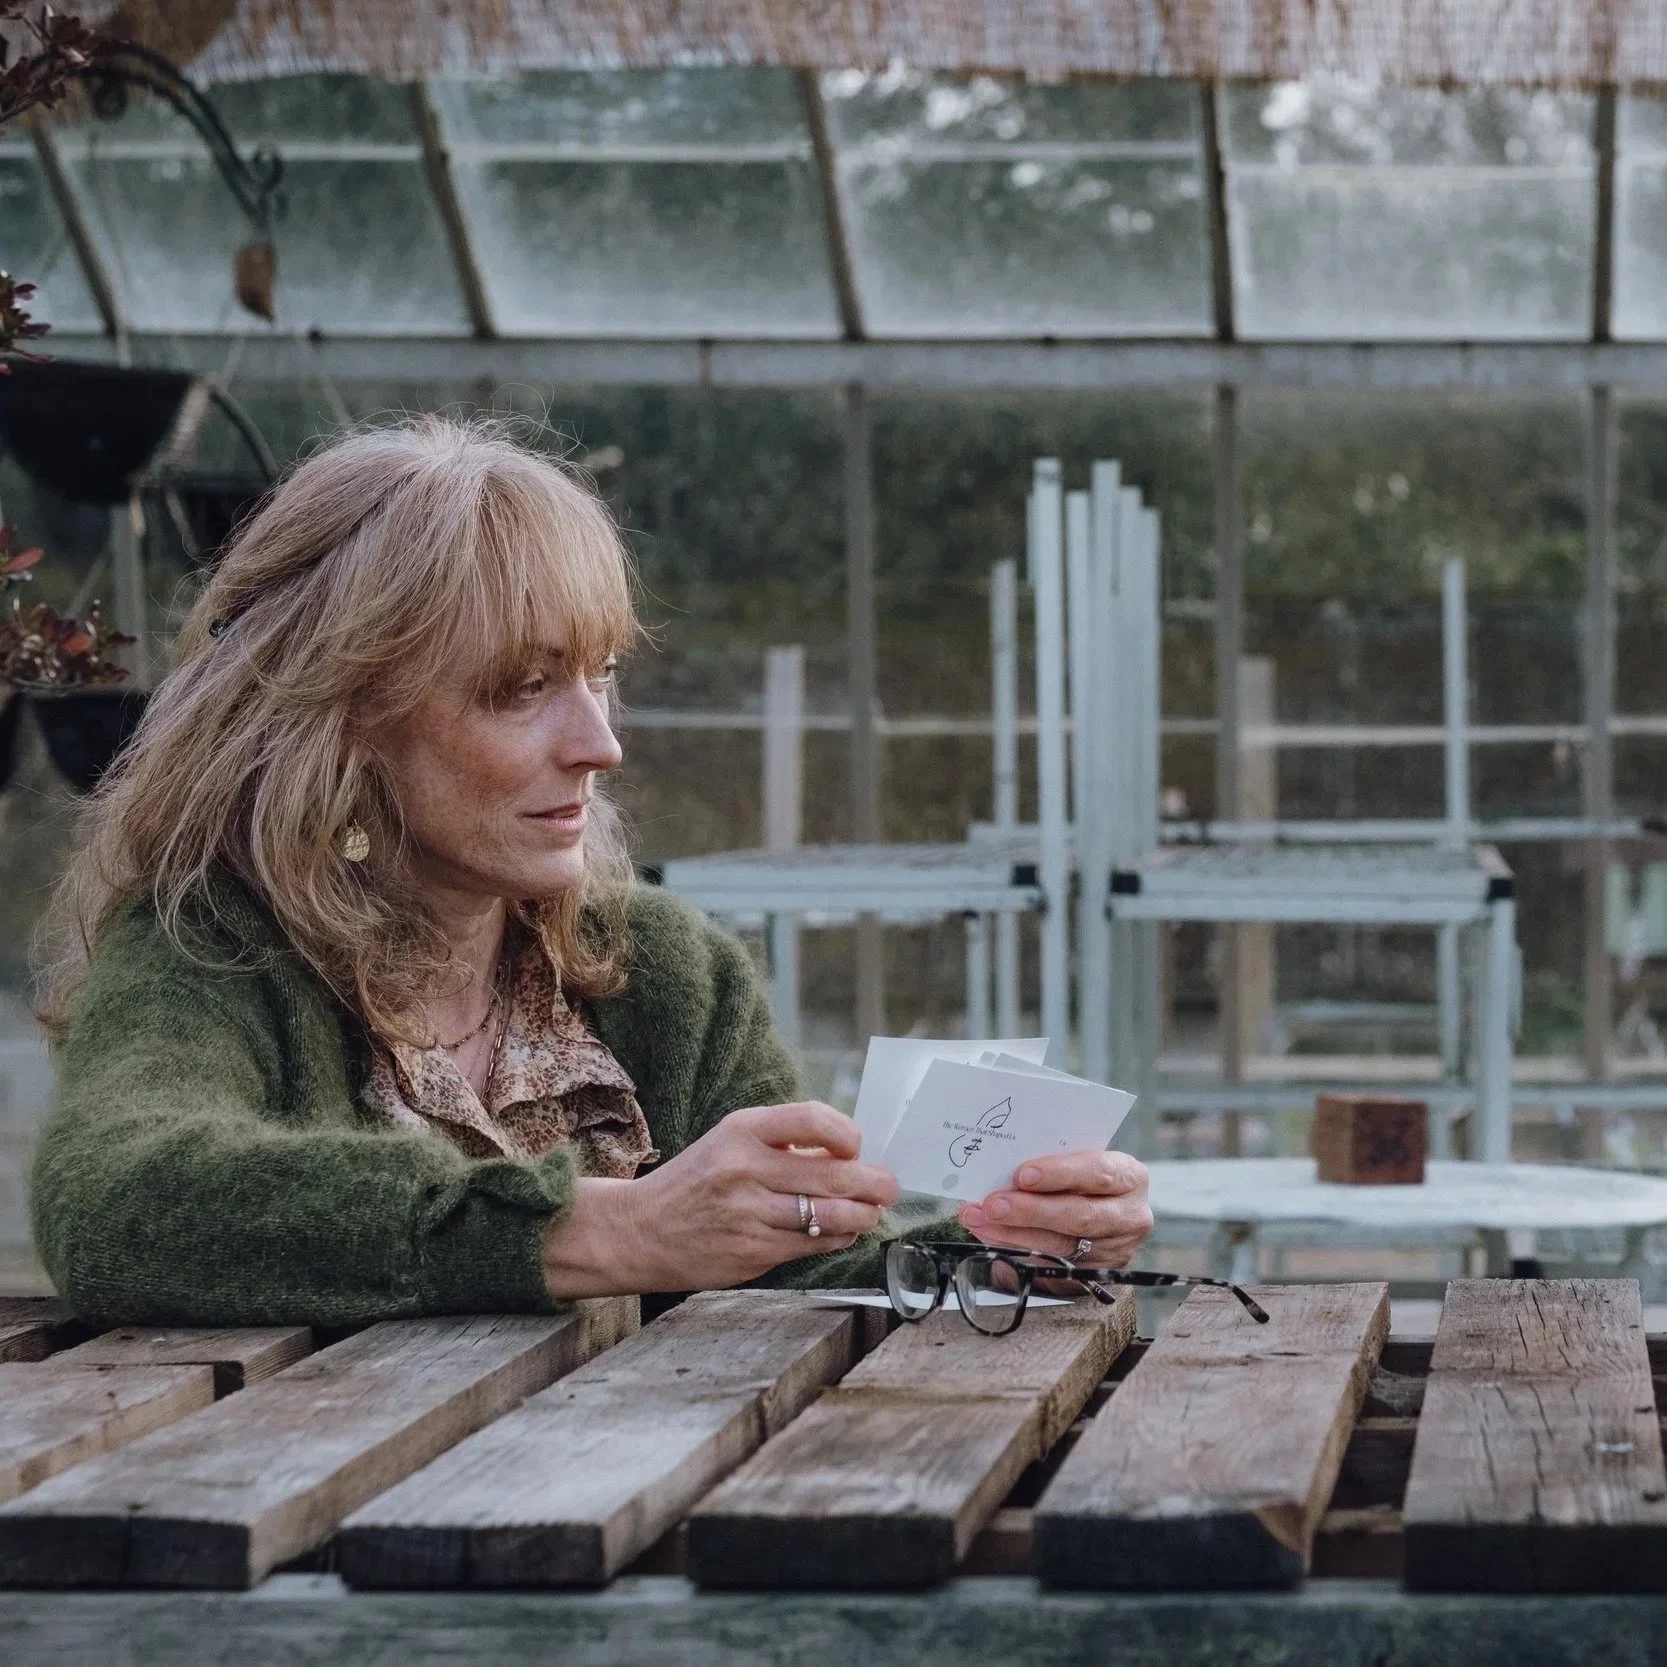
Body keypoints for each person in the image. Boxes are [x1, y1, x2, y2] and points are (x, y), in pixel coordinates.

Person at [30, 416, 1152, 1325]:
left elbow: (802, 1275)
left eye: (601, 674)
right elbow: (116, 1202)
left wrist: (997, 1256)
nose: (599, 743)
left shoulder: (662, 968)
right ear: (345, 718)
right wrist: (611, 1228)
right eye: (524, 687)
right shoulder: (214, 946)